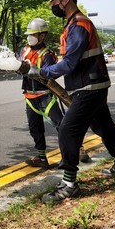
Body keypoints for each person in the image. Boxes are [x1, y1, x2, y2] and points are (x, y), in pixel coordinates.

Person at [26, 0, 115, 203]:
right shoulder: (72, 25)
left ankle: (69, 183)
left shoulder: (79, 25)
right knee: (104, 127)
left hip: (89, 87)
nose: (53, 7)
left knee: (67, 130)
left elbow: (69, 63)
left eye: (54, 3)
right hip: (90, 86)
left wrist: (41, 72)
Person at [17, 18, 91, 169]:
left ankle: (78, 149)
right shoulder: (24, 51)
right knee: (35, 129)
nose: (29, 37)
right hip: (29, 97)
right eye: (29, 34)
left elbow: (50, 74)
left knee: (62, 125)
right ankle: (41, 157)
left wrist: (34, 72)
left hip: (45, 96)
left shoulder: (47, 54)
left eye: (34, 34)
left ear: (42, 36)